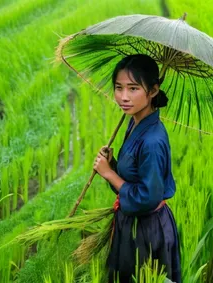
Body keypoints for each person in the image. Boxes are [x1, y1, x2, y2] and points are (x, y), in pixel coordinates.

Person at [92, 54, 181, 283]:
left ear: (152, 91)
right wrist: (112, 164)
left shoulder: (152, 141)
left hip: (147, 232)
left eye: (133, 89)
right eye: (118, 88)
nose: (123, 97)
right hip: (132, 225)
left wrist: (109, 173)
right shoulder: (135, 121)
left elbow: (146, 197)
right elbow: (133, 176)